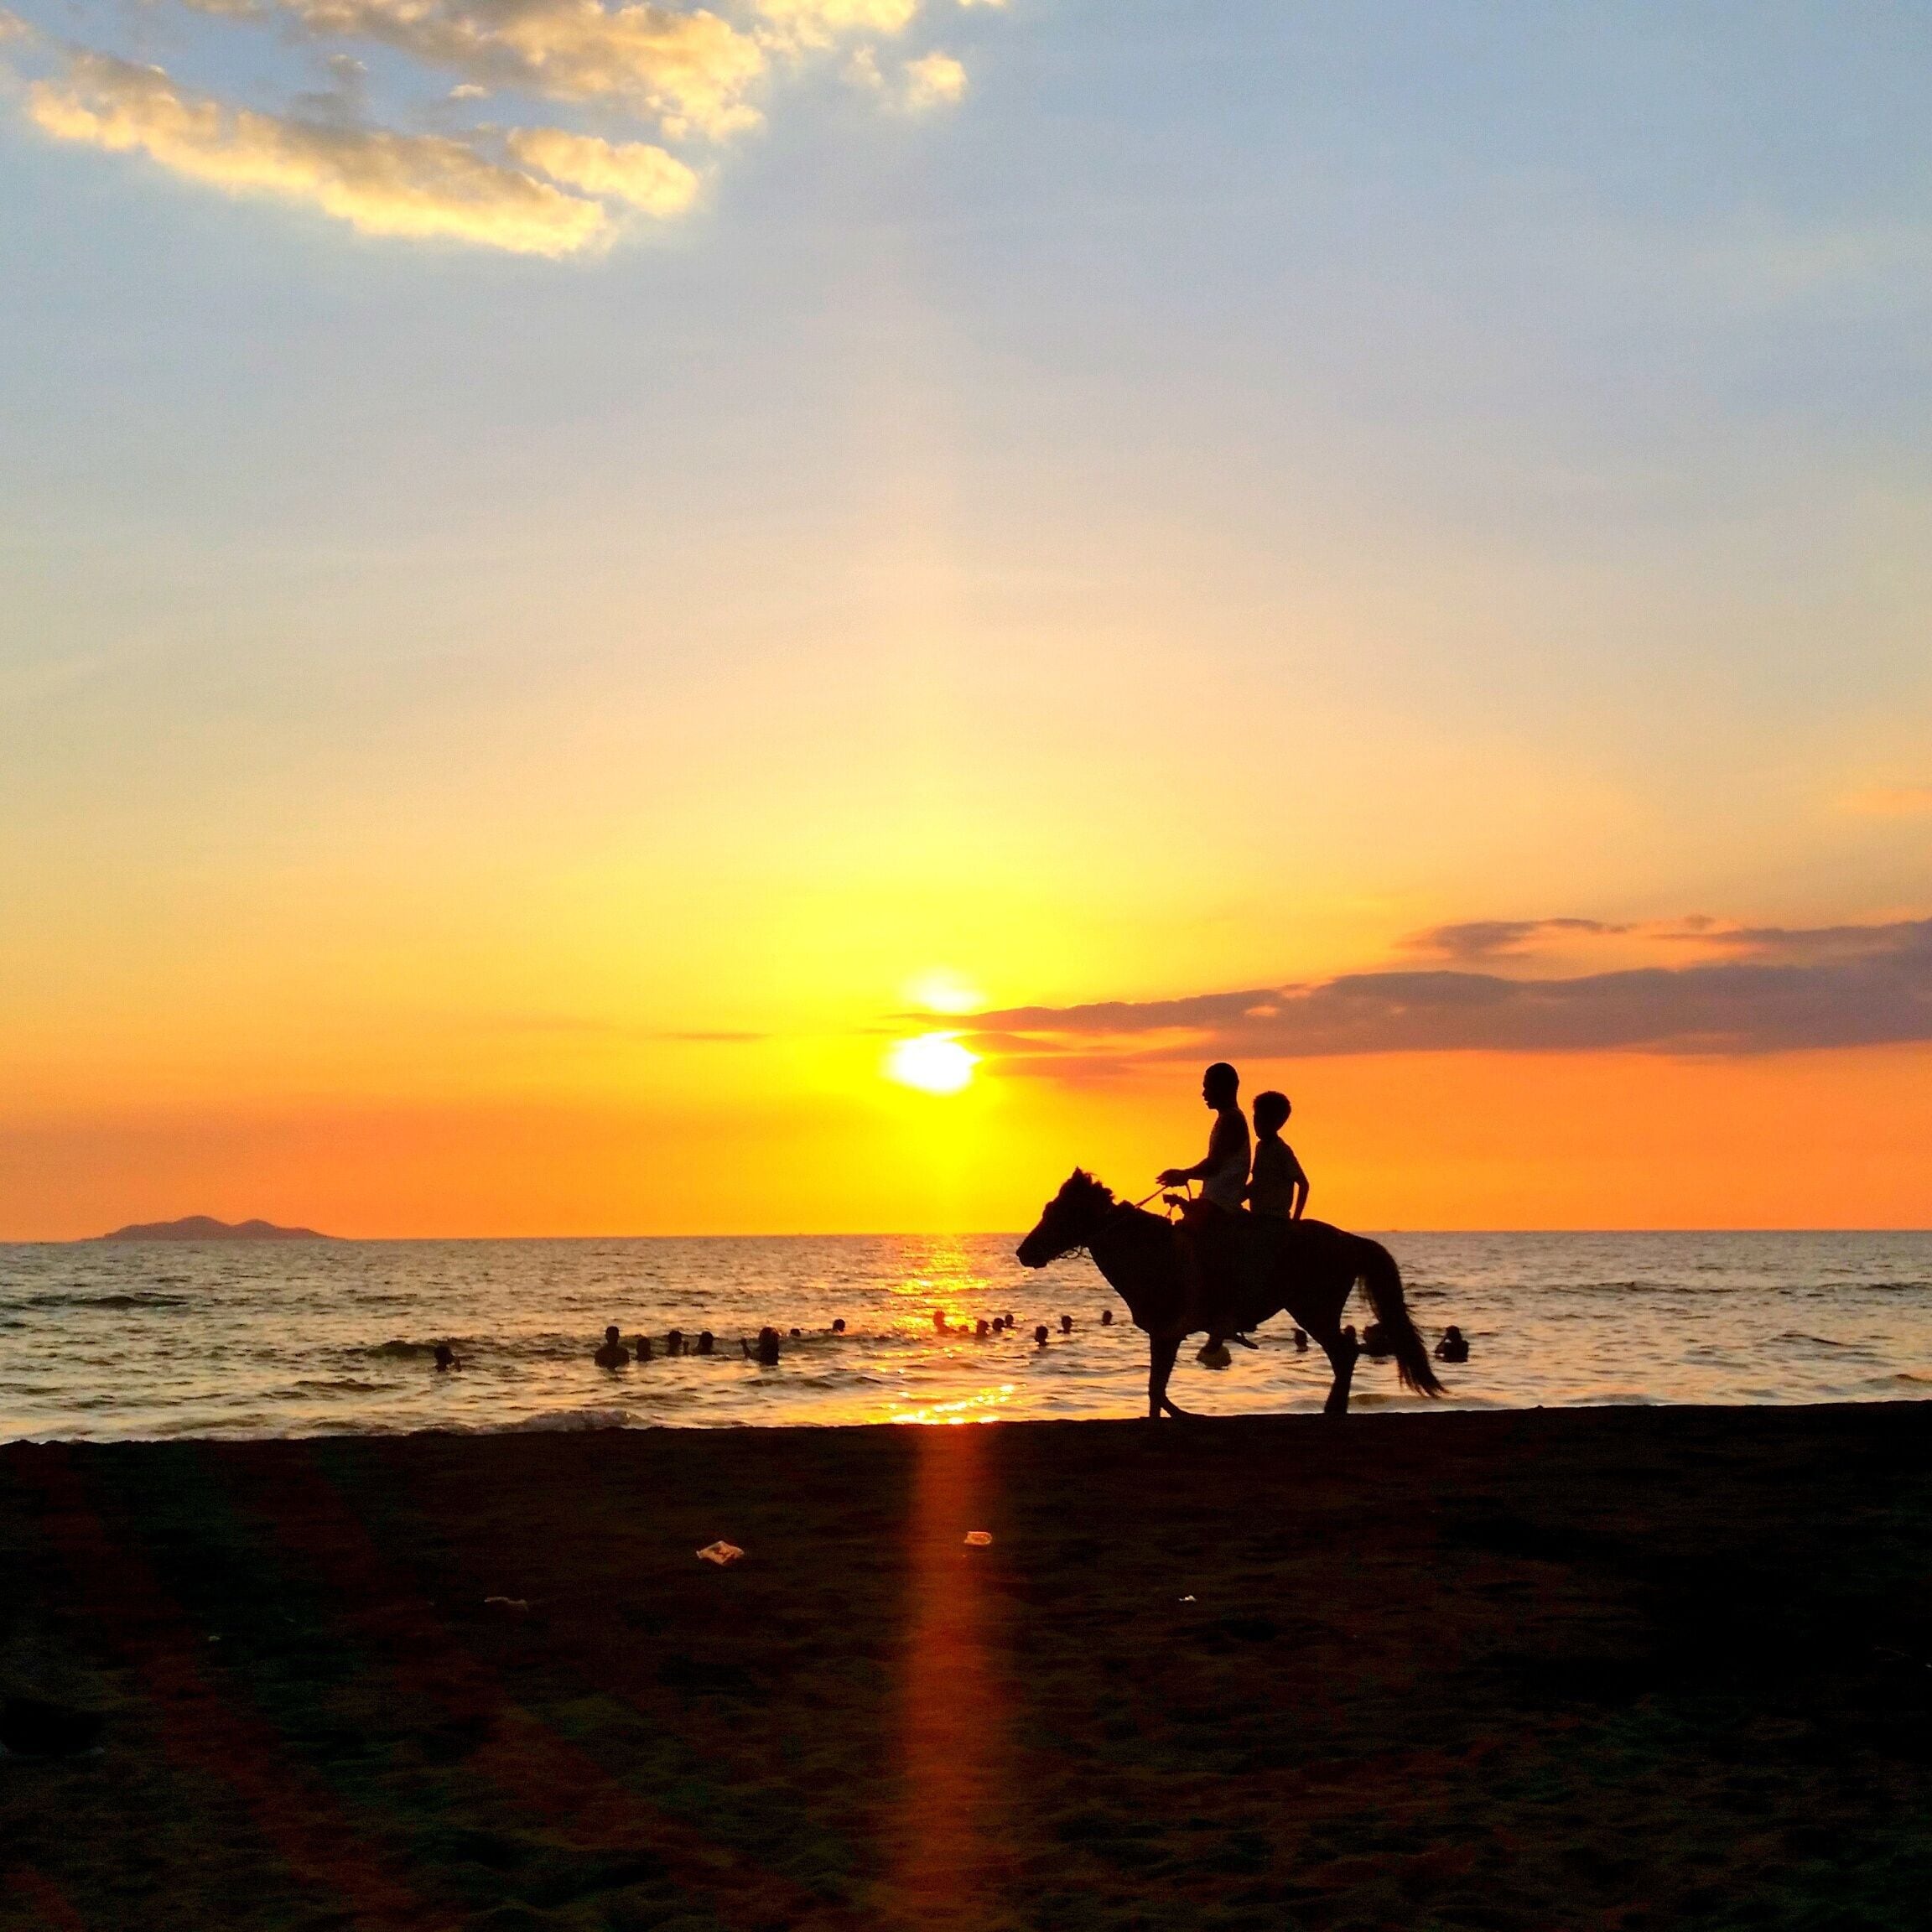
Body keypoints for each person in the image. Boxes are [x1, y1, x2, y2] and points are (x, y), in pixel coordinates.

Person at [1158, 1062, 1251, 1354]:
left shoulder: (1231, 1121)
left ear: (1225, 1088)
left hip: (1221, 1202)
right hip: (1214, 1198)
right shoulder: (1226, 1120)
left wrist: (1182, 1174)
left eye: (1208, 1086)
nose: (1203, 1093)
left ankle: (1201, 1311)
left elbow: (1215, 1164)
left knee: (1184, 1244)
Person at [1247, 1091, 1309, 1222]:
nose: (1257, 1124)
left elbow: (1303, 1184)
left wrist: (1296, 1219)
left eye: (1264, 1120)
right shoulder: (1260, 1148)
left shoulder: (1281, 1150)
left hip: (1275, 1219)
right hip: (1257, 1216)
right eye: (1256, 1118)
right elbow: (1258, 1182)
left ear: (1278, 1122)